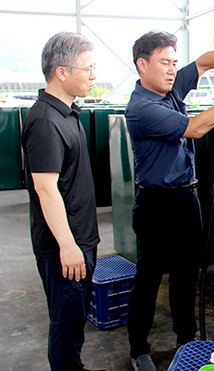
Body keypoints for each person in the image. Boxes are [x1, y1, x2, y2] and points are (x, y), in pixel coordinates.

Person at [125, 31, 214, 371]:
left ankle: (187, 338)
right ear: (142, 64)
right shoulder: (143, 107)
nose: (172, 69)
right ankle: (138, 349)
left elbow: (201, 63)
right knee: (149, 277)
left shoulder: (170, 89)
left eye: (173, 62)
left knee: (187, 274)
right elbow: (195, 128)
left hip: (186, 198)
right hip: (155, 204)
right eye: (164, 62)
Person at [22, 32, 102, 371]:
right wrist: (67, 246)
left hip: (80, 239)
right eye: (88, 68)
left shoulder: (68, 113)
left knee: (74, 319)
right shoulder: (44, 121)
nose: (93, 76)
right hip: (63, 247)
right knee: (65, 327)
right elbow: (45, 189)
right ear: (62, 72)